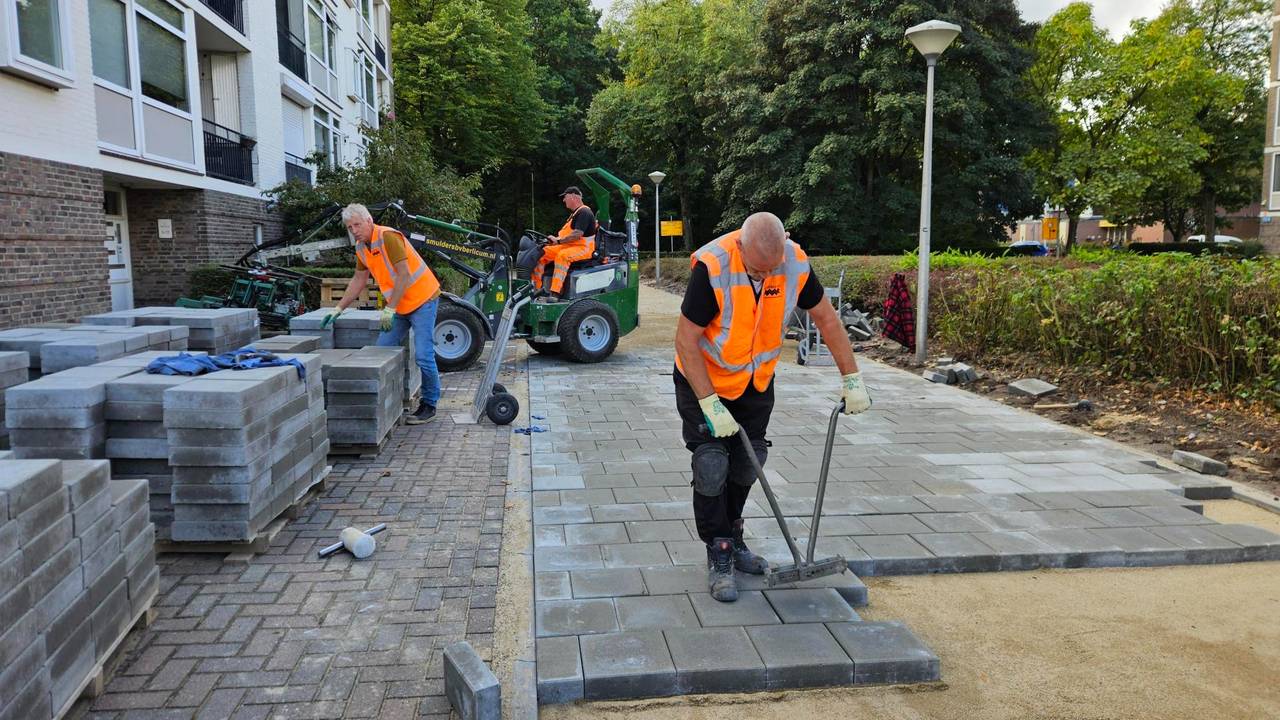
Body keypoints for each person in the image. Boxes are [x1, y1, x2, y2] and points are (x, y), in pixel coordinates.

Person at [673, 212, 872, 603]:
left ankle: (733, 533)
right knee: (712, 463)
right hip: (705, 378)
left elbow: (827, 321)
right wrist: (709, 402)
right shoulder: (713, 266)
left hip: (755, 381)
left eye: (770, 269)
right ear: (740, 246)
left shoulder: (794, 261)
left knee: (749, 461)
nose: (764, 278)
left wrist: (852, 379)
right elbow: (685, 341)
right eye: (756, 270)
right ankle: (719, 548)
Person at [324, 203, 442, 424]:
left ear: (369, 221)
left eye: (357, 224)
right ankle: (387, 401)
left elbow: (404, 275)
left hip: (423, 299)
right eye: (350, 227)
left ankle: (430, 404)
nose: (355, 230)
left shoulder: (388, 237)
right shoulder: (361, 247)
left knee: (424, 356)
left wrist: (390, 309)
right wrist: (339, 308)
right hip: (399, 305)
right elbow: (359, 280)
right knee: (381, 351)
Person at [532, 186, 597, 297]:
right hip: (569, 245)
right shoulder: (574, 214)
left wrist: (558, 241)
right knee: (541, 253)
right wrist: (553, 240)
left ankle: (555, 292)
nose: (563, 200)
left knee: (562, 256)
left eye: (565, 197)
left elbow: (577, 235)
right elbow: (566, 235)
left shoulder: (584, 212)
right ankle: (536, 289)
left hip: (583, 248)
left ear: (573, 196)